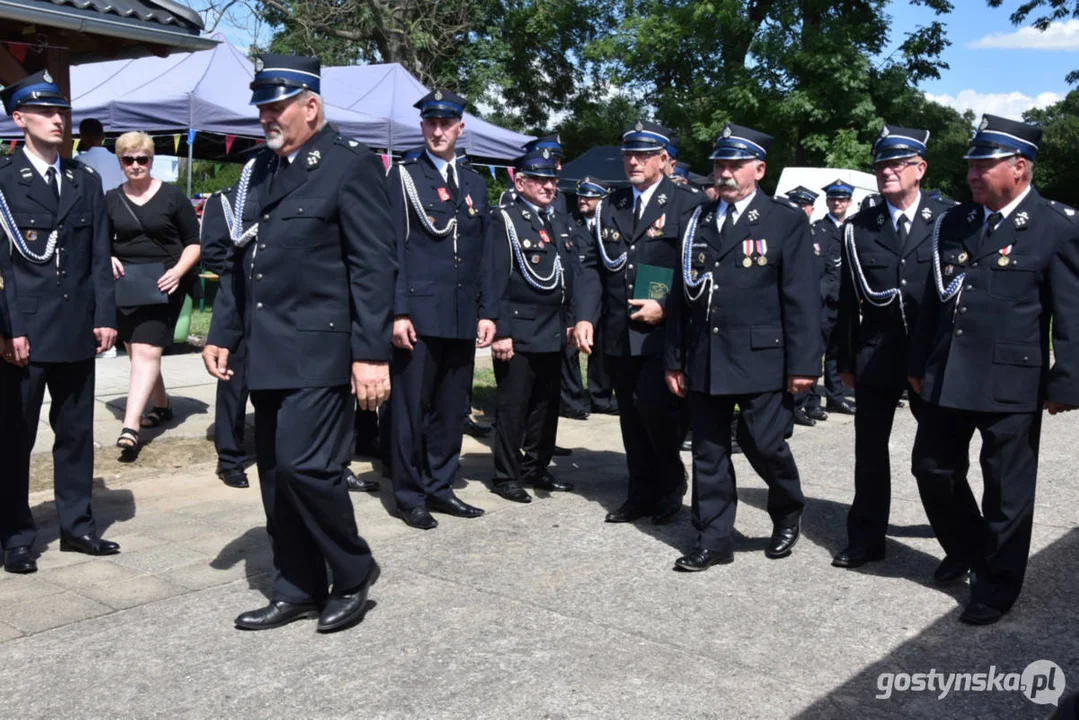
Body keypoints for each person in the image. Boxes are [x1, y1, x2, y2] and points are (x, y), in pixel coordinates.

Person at [202, 53, 391, 632]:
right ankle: (297, 586)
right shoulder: (258, 170)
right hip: (267, 348)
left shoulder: (349, 165)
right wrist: (223, 332)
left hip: (321, 349)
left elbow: (373, 267)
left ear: (311, 106)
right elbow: (243, 262)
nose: (266, 117)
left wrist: (371, 354)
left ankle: (353, 572)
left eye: (276, 106)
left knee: (309, 468)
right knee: (278, 475)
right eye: (261, 107)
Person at [908, 115, 1079, 625]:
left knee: (1006, 488)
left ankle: (996, 586)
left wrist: (1067, 377)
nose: (972, 175)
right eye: (971, 165)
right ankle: (970, 547)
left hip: (1012, 378)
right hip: (948, 372)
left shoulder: (1057, 226)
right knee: (932, 468)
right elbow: (931, 305)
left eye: (984, 165)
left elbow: (1072, 311)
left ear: (1020, 168)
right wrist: (917, 363)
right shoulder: (956, 222)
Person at [664, 123, 819, 571]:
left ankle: (788, 509)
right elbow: (680, 298)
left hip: (762, 356)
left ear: (759, 169)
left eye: (735, 165)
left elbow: (801, 297)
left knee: (764, 443)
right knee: (709, 450)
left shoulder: (784, 219)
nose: (725, 173)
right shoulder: (697, 220)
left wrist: (804, 365)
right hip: (705, 357)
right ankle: (714, 538)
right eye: (719, 165)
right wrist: (675, 358)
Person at [0, 70, 120, 575]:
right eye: (46, 112)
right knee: (14, 436)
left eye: (62, 112)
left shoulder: (84, 180)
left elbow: (98, 254)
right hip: (23, 330)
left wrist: (105, 316)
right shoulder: (5, 181)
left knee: (74, 433)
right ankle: (15, 534)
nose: (58, 120)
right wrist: (7, 329)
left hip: (75, 326)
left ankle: (78, 525)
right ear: (19, 118)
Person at [831, 126, 955, 570]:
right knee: (869, 452)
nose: (886, 171)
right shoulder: (861, 226)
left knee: (939, 456)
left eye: (897, 164)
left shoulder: (947, 219)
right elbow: (849, 299)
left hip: (932, 358)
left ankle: (958, 544)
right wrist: (845, 359)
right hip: (877, 352)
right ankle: (865, 539)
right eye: (880, 164)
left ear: (920, 169)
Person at [574, 120, 706, 526]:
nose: (633, 161)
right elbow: (592, 265)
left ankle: (669, 487)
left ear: (664, 160)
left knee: (657, 411)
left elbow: (696, 269)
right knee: (629, 417)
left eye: (644, 154)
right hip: (619, 328)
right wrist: (583, 315)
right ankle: (640, 492)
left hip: (662, 333)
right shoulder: (613, 204)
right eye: (629, 153)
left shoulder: (687, 204)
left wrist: (665, 306)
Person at [386, 89, 496, 531]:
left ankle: (441, 484)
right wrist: (398, 311)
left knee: (452, 409)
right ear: (423, 127)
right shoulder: (404, 176)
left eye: (445, 124)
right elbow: (392, 248)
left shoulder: (474, 183)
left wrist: (488, 311)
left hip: (460, 314)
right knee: (410, 410)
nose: (437, 130)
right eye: (430, 123)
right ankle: (410, 494)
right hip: (418, 314)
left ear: (459, 129)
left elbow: (485, 253)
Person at [488, 150, 577, 503]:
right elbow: (494, 278)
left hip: (553, 328)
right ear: (520, 182)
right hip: (520, 330)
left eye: (552, 179)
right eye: (539, 179)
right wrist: (501, 330)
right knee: (513, 407)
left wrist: (571, 321)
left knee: (546, 404)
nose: (548, 186)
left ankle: (537, 466)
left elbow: (567, 276)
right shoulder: (504, 219)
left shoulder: (558, 219)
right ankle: (506, 475)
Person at [106, 131, 201, 459]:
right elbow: (100, 241)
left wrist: (178, 271)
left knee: (146, 350)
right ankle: (162, 405)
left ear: (151, 159)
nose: (135, 165)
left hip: (166, 284)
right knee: (136, 353)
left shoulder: (173, 197)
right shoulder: (111, 199)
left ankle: (130, 426)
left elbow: (194, 242)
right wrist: (109, 256)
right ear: (120, 162)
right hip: (128, 286)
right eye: (128, 159)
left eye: (142, 159)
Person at [570, 176, 618, 416]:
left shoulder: (610, 223)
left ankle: (601, 396)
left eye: (589, 196)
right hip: (577, 293)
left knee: (600, 349)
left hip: (606, 296)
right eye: (581, 195)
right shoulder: (571, 224)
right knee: (572, 350)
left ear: (602, 199)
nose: (583, 200)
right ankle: (573, 399)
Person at [813, 180, 856, 416]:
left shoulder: (853, 228)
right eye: (833, 199)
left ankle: (835, 397)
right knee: (816, 352)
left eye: (841, 199)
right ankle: (808, 402)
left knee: (837, 354)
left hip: (846, 303)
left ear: (849, 202)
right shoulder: (819, 229)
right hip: (825, 303)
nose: (837, 203)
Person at [785, 185, 826, 427]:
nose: (800, 209)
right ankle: (793, 406)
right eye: (796, 205)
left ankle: (804, 402)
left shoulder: (819, 234)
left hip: (818, 304)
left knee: (812, 355)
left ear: (811, 209)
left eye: (804, 205)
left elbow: (832, 270)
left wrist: (816, 294)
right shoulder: (780, 232)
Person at [76, 118, 125, 192]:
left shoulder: (79, 161)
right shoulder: (118, 160)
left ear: (82, 137)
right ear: (103, 136)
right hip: (116, 201)